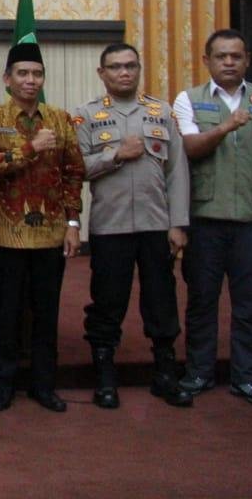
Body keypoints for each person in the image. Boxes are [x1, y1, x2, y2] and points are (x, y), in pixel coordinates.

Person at [73, 43, 192, 408]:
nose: (124, 73)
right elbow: (77, 168)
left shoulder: (162, 111)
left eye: (130, 66)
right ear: (101, 73)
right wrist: (115, 155)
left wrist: (179, 223)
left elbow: (177, 174)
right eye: (115, 67)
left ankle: (165, 372)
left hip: (157, 225)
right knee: (108, 301)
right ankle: (105, 374)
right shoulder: (86, 115)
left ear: (139, 70)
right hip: (111, 227)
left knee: (161, 299)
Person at [0, 42, 84, 413]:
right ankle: (2, 386)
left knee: (45, 315)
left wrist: (72, 222)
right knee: (4, 316)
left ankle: (43, 386)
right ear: (7, 79)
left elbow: (73, 174)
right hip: (6, 236)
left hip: (51, 236)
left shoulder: (61, 119)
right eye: (22, 73)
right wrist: (31, 147)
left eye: (36, 73)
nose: (30, 80)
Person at [173, 29, 252, 402]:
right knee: (202, 301)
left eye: (235, 56)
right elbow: (190, 148)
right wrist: (226, 126)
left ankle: (246, 377)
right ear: (206, 61)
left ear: (247, 60)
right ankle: (199, 373)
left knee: (250, 305)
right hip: (205, 220)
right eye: (221, 56)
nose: (228, 62)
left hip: (251, 221)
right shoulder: (188, 100)